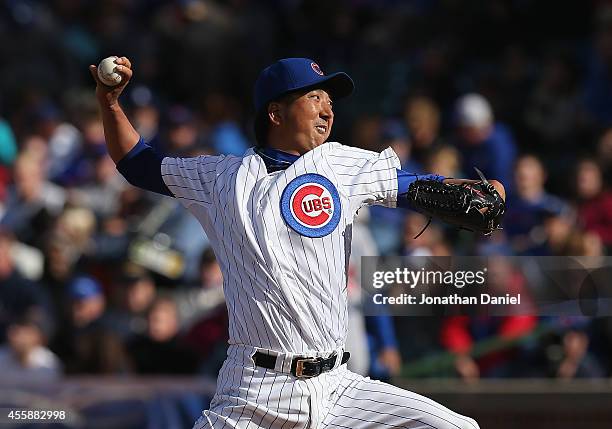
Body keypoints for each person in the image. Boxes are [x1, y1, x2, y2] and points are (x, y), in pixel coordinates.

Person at [90, 56, 505, 429]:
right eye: (315, 97)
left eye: (330, 101)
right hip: (253, 391)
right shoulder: (219, 178)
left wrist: (479, 193)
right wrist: (110, 105)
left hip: (337, 387)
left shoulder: (341, 164)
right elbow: (137, 164)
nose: (328, 109)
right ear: (275, 111)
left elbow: (417, 186)